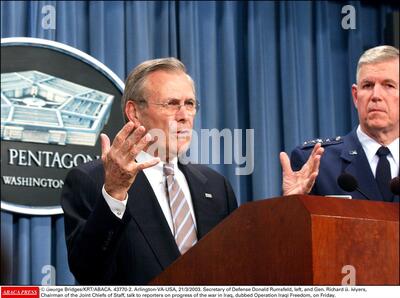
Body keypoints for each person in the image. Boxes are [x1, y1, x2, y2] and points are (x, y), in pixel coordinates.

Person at [62, 57, 322, 285]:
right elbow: (90, 274)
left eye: (190, 104)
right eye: (171, 104)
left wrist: (287, 208)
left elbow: (245, 267)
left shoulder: (214, 185)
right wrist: (115, 193)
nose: (184, 115)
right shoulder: (94, 180)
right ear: (135, 112)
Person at [288, 45, 399, 202]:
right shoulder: (316, 163)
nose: (376, 96)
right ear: (355, 96)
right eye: (368, 85)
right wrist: (291, 204)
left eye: (389, 85)